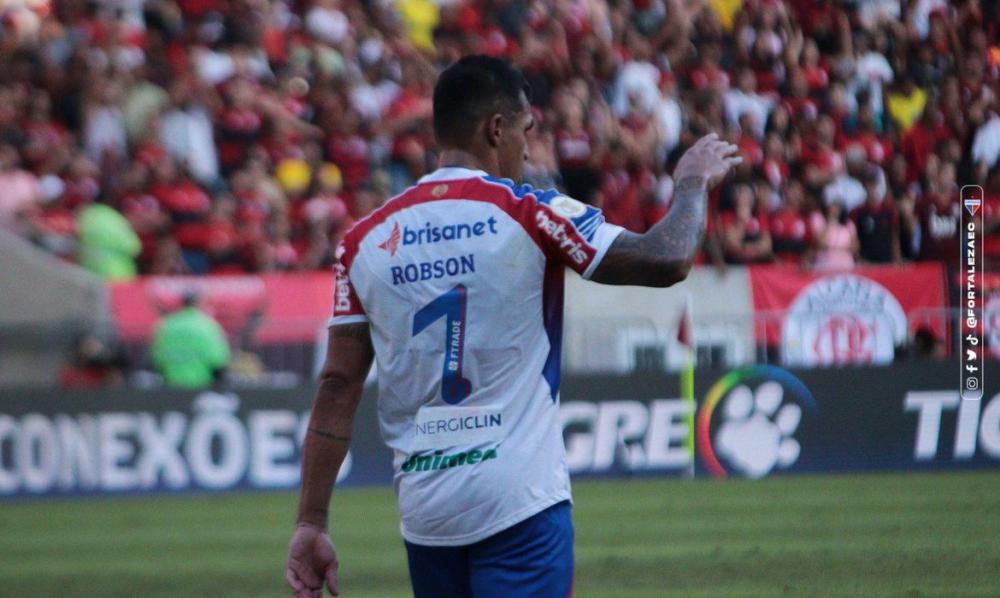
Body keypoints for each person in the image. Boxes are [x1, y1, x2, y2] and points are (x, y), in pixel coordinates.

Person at [285, 55, 740, 598]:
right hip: (519, 500)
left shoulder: (363, 240)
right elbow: (666, 258)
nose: (528, 148)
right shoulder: (530, 210)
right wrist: (691, 184)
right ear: (496, 129)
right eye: (526, 130)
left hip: (427, 512)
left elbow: (338, 385)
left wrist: (311, 521)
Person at [150, 291, 231, 388]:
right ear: (200, 303)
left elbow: (156, 359)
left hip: (170, 386)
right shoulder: (207, 325)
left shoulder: (167, 324)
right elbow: (219, 360)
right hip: (201, 386)